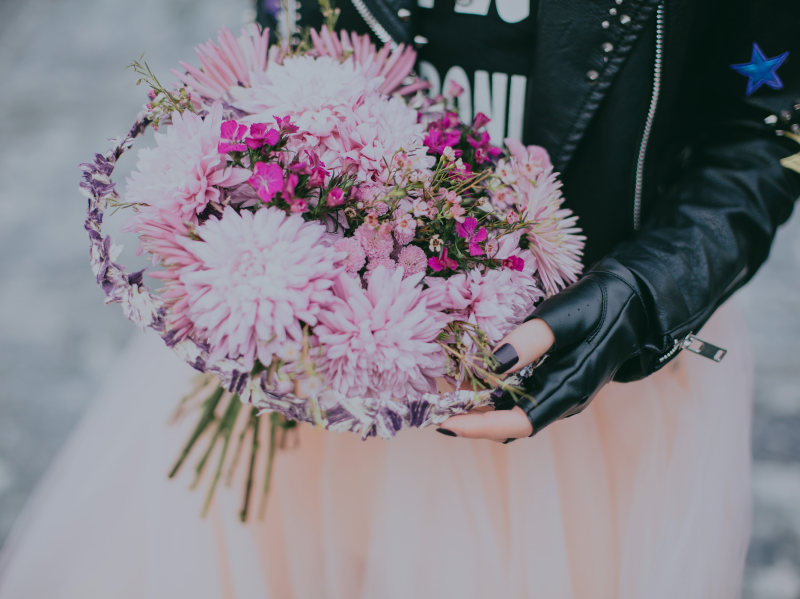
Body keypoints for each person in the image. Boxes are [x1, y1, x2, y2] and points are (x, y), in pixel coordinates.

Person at [1, 1, 797, 597]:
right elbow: (288, 30)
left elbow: (770, 123)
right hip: (316, 353)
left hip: (590, 385)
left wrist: (645, 295)